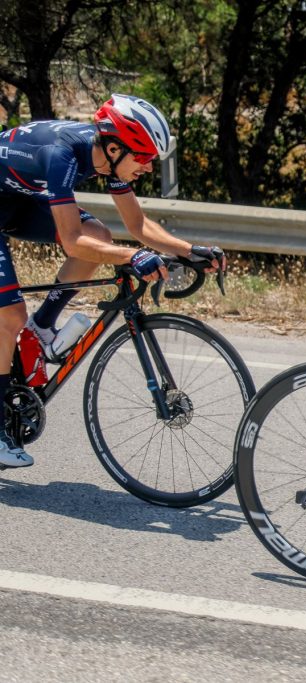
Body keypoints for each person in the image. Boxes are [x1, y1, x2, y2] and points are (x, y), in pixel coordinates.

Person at [0, 93, 227, 468]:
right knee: (8, 316)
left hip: (13, 199)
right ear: (116, 146)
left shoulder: (106, 159)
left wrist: (189, 250)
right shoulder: (63, 155)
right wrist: (132, 256)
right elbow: (72, 241)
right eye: (144, 157)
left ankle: (40, 328)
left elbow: (137, 226)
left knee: (100, 235)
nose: (148, 167)